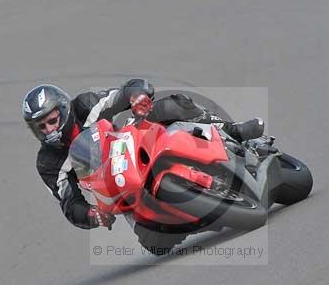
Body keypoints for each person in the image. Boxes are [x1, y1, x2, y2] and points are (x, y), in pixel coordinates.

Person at [22, 79, 264, 229]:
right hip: (117, 189)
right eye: (41, 127)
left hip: (133, 142)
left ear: (63, 110)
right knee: (154, 244)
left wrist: (137, 95)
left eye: (52, 121)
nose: (49, 130)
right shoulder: (48, 162)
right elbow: (69, 203)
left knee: (173, 105)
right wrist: (92, 215)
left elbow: (124, 91)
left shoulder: (86, 104)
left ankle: (232, 130)